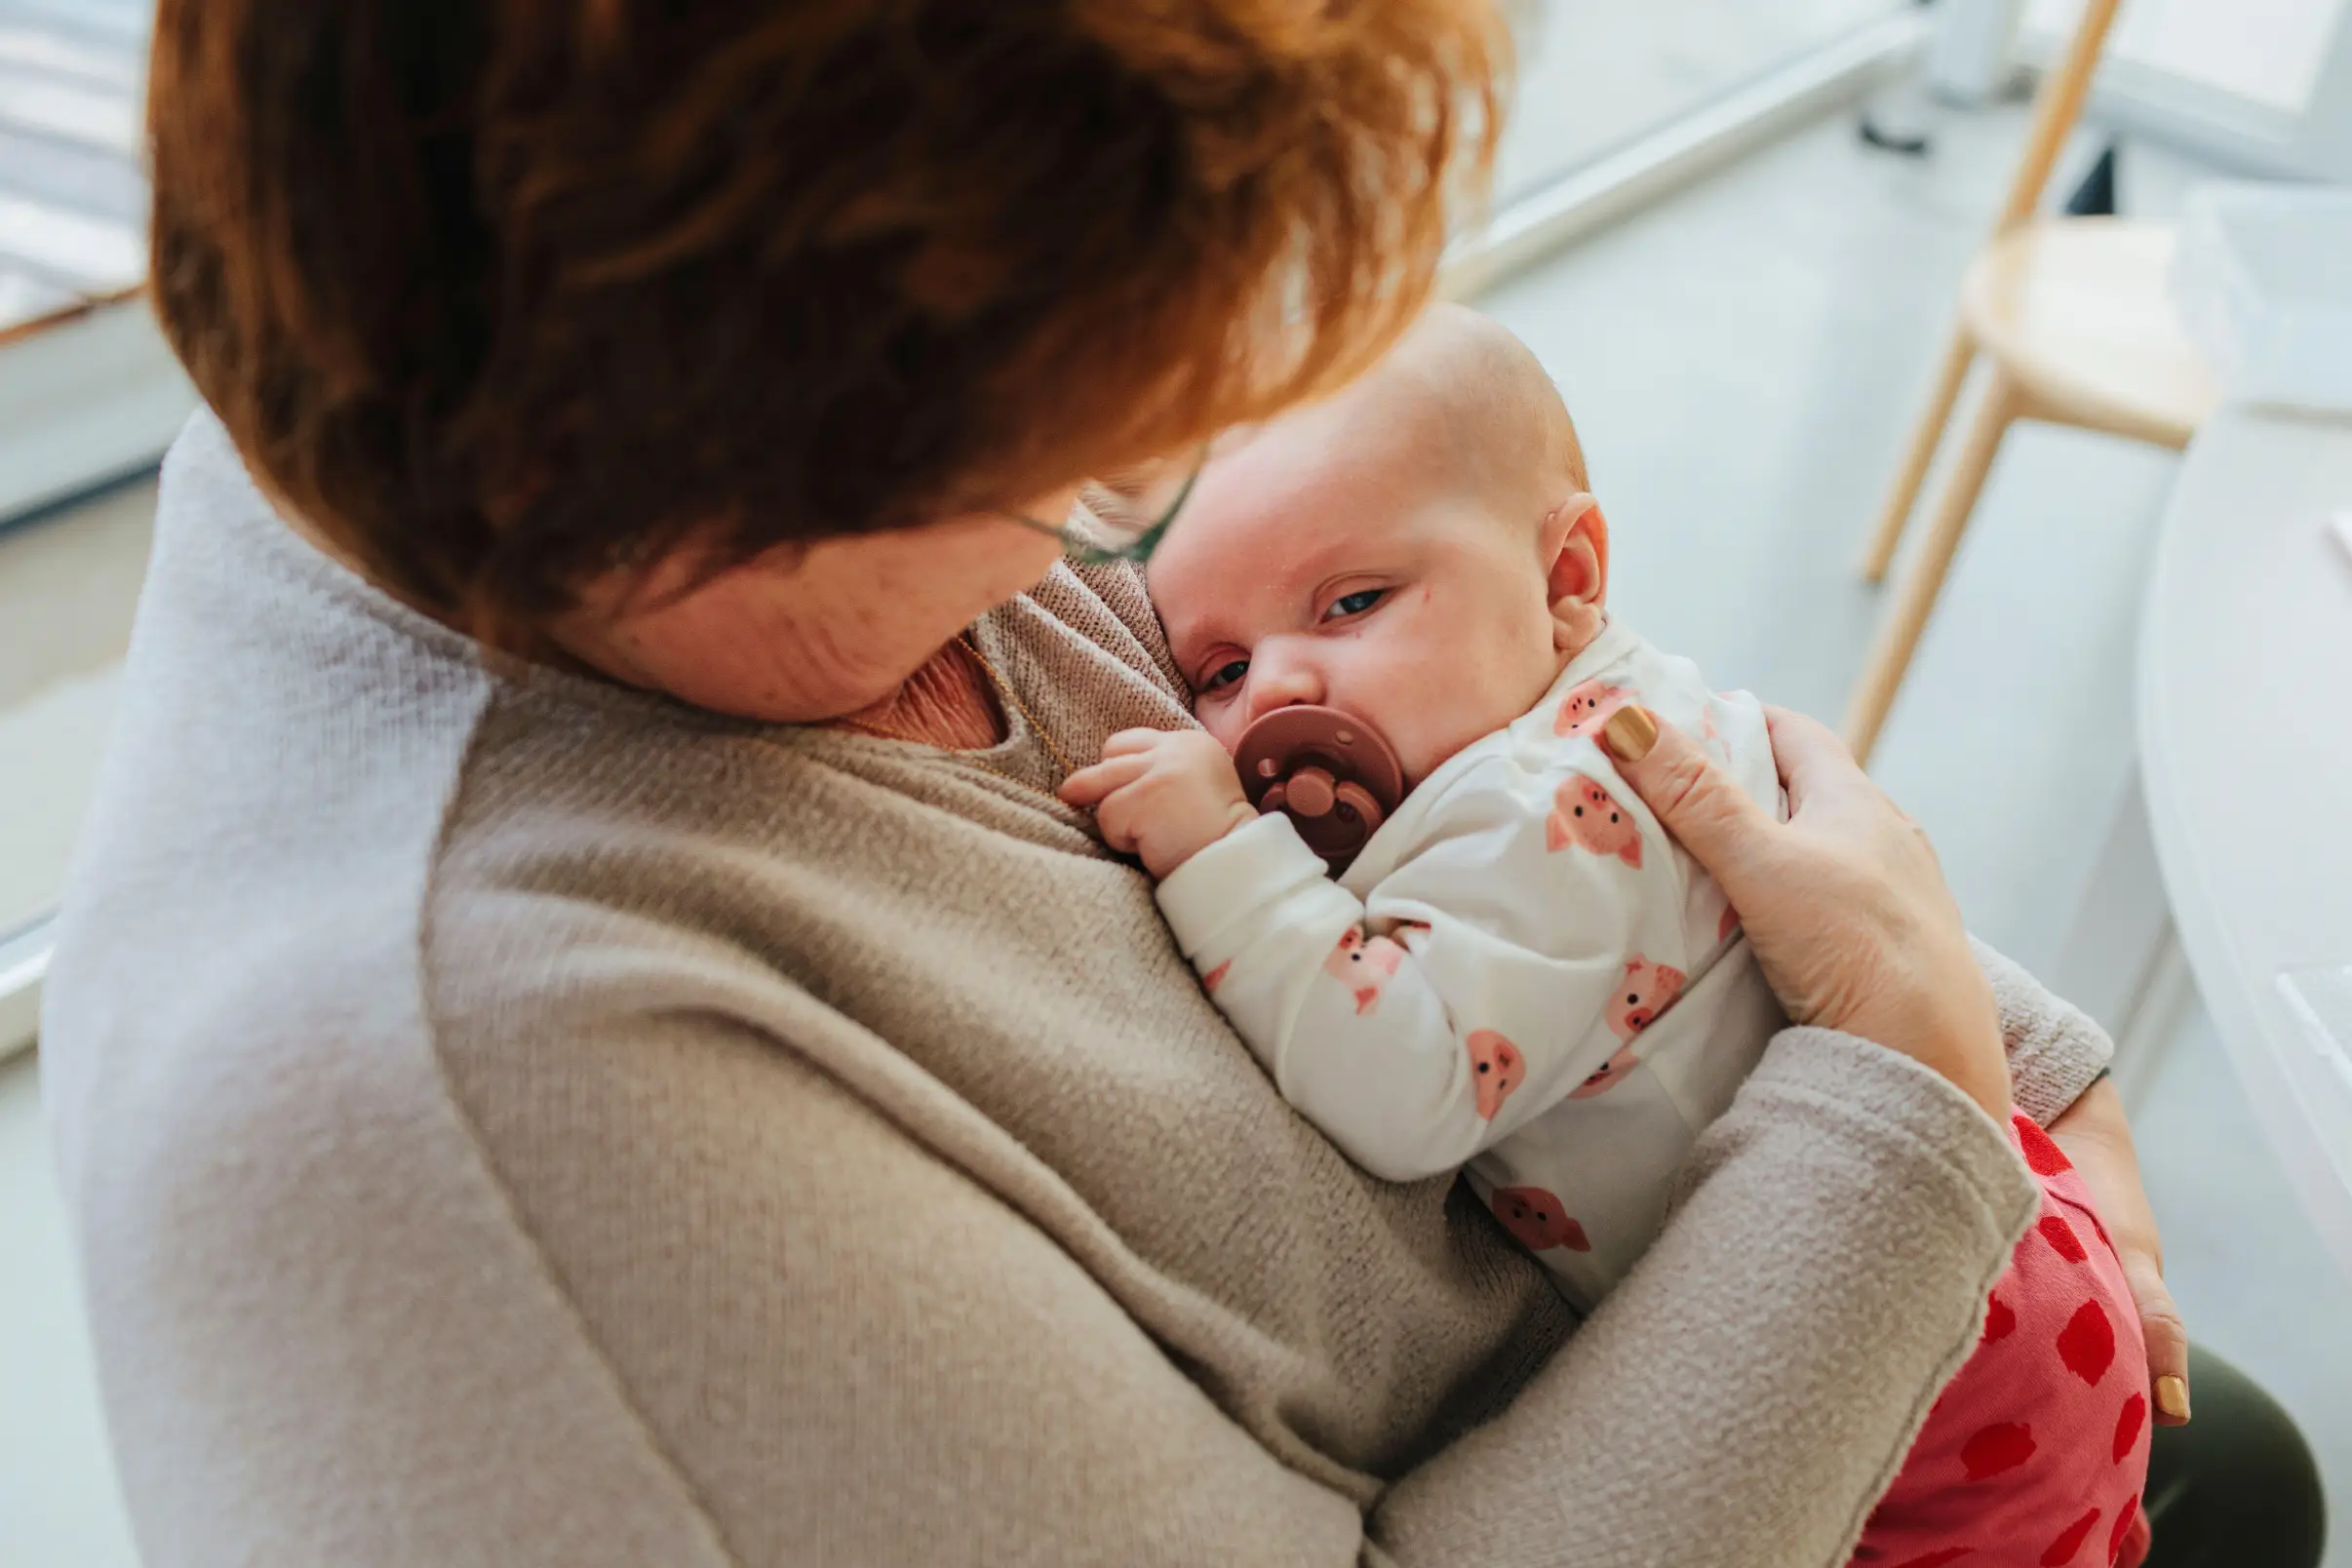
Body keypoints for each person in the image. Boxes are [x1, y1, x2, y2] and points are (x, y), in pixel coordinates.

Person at [37, 2, 2320, 1565]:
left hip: (1721, 1304)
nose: (1120, 551)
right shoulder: (532, 1176)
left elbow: (1528, 798)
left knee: (2256, 1473)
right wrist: (1908, 1093)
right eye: (1094, 467)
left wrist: (1996, 1035)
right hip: (1746, 1385)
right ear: (702, 474)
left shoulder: (679, 458)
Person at [1070, 304, 2153, 1563]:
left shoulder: (1545, 819)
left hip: (1938, 1366)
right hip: (2000, 1260)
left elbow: (1405, 1081)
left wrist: (1223, 857)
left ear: (1567, 578)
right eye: (1216, 672)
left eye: (1353, 601)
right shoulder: (1600, 709)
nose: (1279, 694)